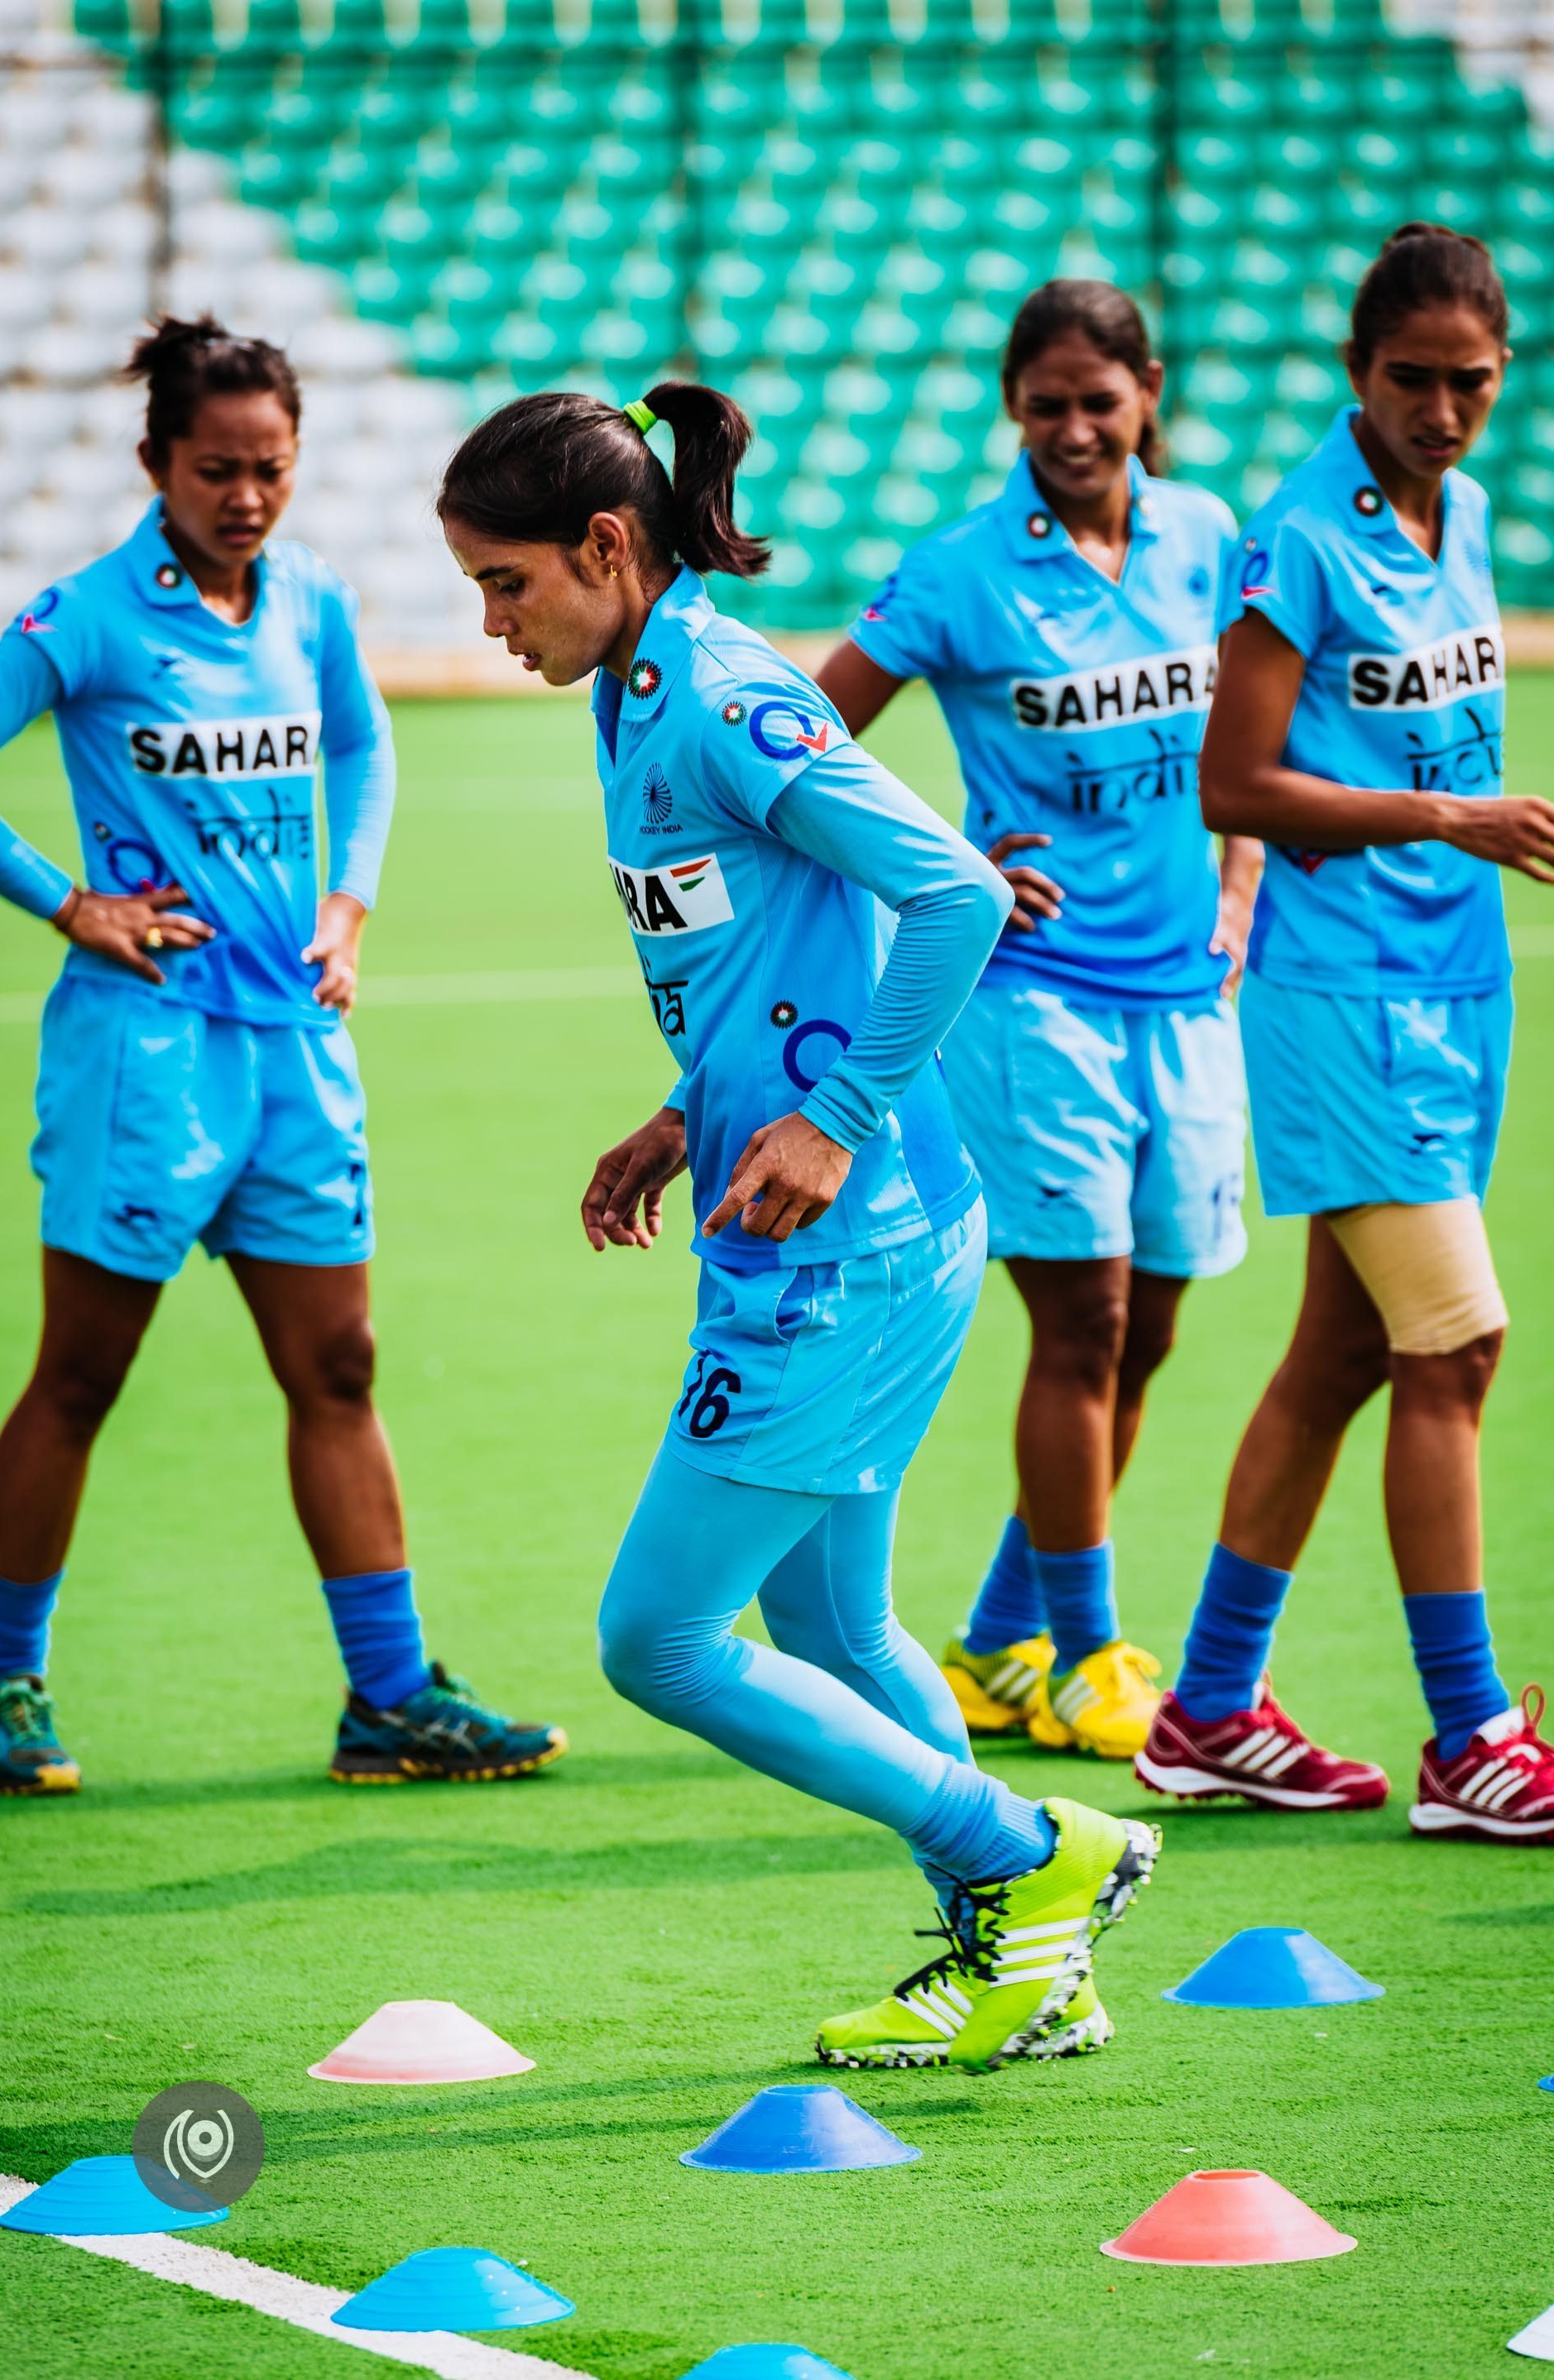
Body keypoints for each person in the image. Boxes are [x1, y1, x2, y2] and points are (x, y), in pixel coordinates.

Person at [437, 381, 1160, 2068]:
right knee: (835, 1628)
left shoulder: (722, 700)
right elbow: (769, 952)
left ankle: (1026, 1852)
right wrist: (685, 1112)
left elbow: (957, 894)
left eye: (505, 582)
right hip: (827, 1237)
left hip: (854, 1248)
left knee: (659, 1637)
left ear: (608, 547)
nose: (489, 621)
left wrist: (830, 1122)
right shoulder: (628, 683)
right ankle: (1028, 1962)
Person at [0, 315, 564, 1795]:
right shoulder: (88, 617)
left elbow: (363, 749)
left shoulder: (308, 599)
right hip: (145, 1056)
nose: (247, 497)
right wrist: (71, 903)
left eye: (272, 469)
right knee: (83, 1377)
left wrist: (347, 906)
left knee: (340, 1365)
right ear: (158, 462)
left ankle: (389, 1695)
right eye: (218, 469)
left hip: (296, 1050)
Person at [1134, 226, 1554, 1841]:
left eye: (1474, 383)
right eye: (1412, 381)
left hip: (1454, 979)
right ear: (1354, 373)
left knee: (1346, 1350)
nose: (1444, 411)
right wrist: (1448, 812)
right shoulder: (1298, 537)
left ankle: (1212, 1706)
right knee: (1457, 1345)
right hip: (1343, 992)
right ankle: (1471, 1737)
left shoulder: (1473, 514)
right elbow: (1233, 783)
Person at [816, 281, 1259, 1761]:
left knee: (1154, 1330)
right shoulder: (955, 573)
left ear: (1146, 390)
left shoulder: (1204, 538)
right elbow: (808, 752)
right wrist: (955, 868)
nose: (1075, 427)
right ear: (1015, 408)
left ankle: (1004, 1636)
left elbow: (1262, 730)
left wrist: (1246, 874)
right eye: (1046, 402)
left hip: (1190, 995)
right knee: (1086, 1319)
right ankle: (1086, 1659)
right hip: (1036, 1000)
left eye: (1100, 397)